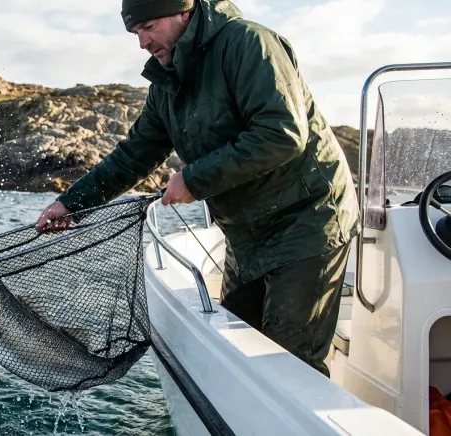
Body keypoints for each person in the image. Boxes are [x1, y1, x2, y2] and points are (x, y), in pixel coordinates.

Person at [34, 0, 361, 377]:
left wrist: (193, 180)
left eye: (149, 27)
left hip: (309, 219)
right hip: (246, 234)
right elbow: (135, 154)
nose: (142, 42)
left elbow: (281, 134)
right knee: (236, 345)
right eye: (135, 32)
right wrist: (71, 203)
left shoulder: (248, 43)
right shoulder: (166, 79)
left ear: (183, 13)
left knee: (289, 362)